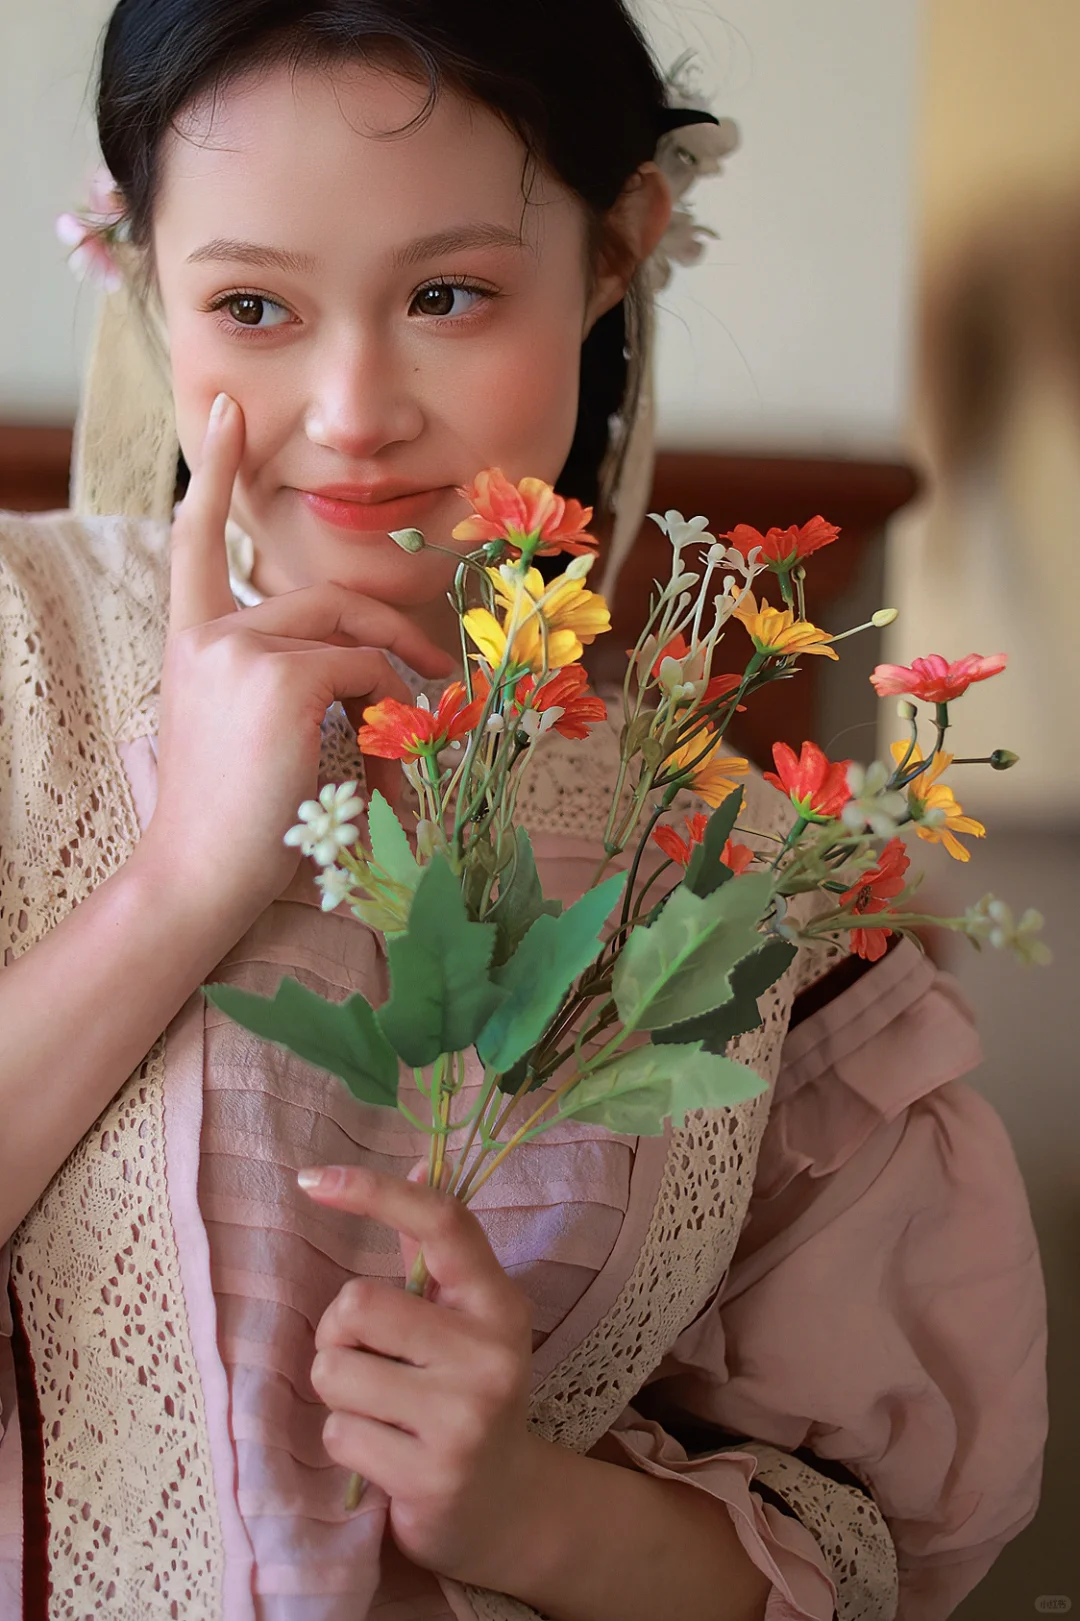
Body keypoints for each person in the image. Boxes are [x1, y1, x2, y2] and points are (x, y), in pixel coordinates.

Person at [0, 4, 1047, 1619]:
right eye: (253, 304)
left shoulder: (745, 882)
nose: (354, 409)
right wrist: (182, 880)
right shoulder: (15, 658)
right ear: (146, 276)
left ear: (619, 245)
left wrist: (523, 1516)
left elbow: (869, 1558)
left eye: (446, 294)